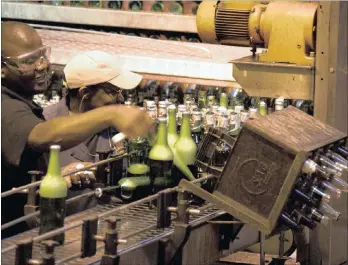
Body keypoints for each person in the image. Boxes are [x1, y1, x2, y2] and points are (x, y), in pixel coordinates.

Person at [1, 21, 153, 237]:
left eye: (43, 55)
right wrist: (113, 113)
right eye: (28, 61)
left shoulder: (23, 104)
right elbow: (41, 136)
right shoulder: (5, 105)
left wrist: (54, 176)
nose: (42, 65)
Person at [43, 50, 139, 215]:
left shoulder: (119, 125)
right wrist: (59, 176)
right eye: (114, 92)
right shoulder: (43, 127)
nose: (121, 99)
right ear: (85, 93)